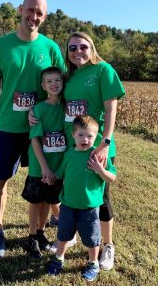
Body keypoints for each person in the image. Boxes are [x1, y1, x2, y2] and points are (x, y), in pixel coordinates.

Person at [0, 0, 64, 257]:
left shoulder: (50, 48)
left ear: (45, 16)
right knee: (0, 180)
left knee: (43, 182)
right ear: (20, 9)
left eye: (39, 13)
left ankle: (38, 231)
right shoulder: (1, 45)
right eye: (30, 10)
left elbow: (63, 86)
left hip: (41, 130)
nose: (34, 16)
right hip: (8, 127)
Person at [63, 31, 125, 270]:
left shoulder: (104, 70)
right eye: (72, 48)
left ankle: (107, 245)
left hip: (97, 146)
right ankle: (71, 233)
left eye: (83, 47)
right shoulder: (69, 77)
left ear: (92, 48)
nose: (78, 51)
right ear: (67, 53)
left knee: (100, 198)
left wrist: (105, 144)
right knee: (74, 191)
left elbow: (111, 109)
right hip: (74, 148)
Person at [47, 115, 116, 282]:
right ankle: (59, 259)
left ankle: (93, 263)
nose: (85, 139)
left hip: (90, 208)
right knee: (63, 234)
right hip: (68, 205)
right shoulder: (69, 154)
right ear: (73, 135)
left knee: (92, 239)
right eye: (81, 135)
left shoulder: (98, 156)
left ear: (96, 137)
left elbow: (111, 178)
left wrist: (100, 170)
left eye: (90, 136)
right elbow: (61, 172)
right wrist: (50, 176)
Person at [21, 66, 66, 258]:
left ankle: (40, 232)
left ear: (63, 82)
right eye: (49, 81)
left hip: (57, 167)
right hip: (40, 166)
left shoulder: (67, 110)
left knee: (48, 201)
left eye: (57, 80)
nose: (54, 84)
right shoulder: (38, 109)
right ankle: (31, 237)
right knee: (35, 201)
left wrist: (56, 169)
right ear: (43, 85)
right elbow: (35, 140)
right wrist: (45, 168)